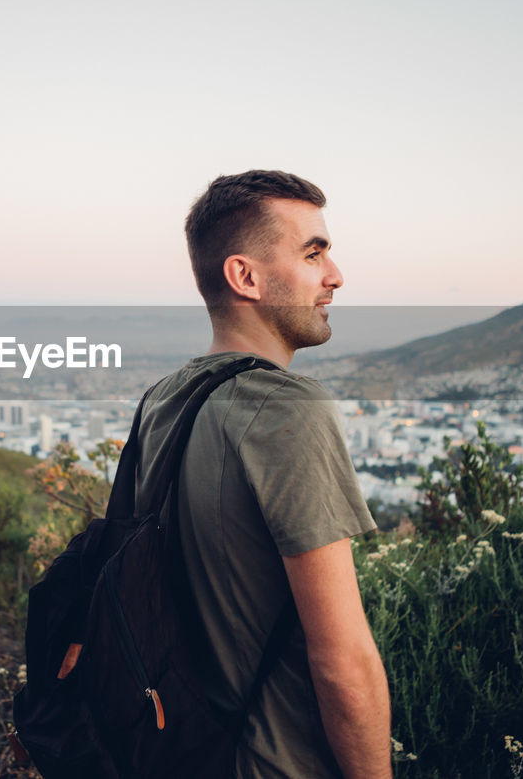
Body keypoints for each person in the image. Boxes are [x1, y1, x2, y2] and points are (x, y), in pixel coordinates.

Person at [131, 170, 393, 778]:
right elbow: (343, 659)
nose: (336, 276)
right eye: (313, 252)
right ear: (245, 276)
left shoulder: (164, 399)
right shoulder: (286, 409)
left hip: (177, 750)